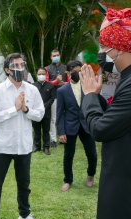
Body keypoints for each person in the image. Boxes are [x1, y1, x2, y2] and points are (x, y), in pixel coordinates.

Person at [80, 7, 131, 219]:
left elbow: (100, 129)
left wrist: (88, 95)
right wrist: (96, 97)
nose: (102, 51)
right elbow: (119, 119)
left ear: (121, 48)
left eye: (105, 45)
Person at [0, 53, 45, 219]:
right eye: (15, 66)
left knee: (24, 184)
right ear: (7, 70)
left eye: (22, 65)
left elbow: (40, 115)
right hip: (1, 146)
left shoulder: (32, 90)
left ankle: (25, 214)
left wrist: (25, 109)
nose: (20, 68)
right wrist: (14, 109)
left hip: (23, 146)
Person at [56, 60, 97, 192]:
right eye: (74, 72)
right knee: (68, 155)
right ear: (68, 73)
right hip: (70, 126)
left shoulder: (87, 87)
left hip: (87, 125)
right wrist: (61, 132)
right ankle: (68, 180)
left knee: (92, 154)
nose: (77, 74)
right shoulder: (62, 90)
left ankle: (90, 175)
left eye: (79, 71)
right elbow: (60, 112)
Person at [45, 50, 70, 148]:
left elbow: (70, 81)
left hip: (65, 95)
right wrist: (56, 81)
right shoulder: (47, 69)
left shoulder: (65, 68)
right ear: (51, 57)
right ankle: (53, 139)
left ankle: (65, 137)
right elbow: (46, 83)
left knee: (66, 116)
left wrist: (63, 83)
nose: (56, 56)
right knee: (53, 118)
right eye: (54, 55)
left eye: (57, 55)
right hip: (54, 96)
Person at [32, 67, 55, 155]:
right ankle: (37, 146)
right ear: (36, 75)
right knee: (36, 130)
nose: (41, 75)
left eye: (43, 74)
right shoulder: (33, 86)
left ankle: (46, 147)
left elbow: (52, 98)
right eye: (39, 74)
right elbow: (30, 98)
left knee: (46, 130)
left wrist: (44, 106)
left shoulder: (50, 86)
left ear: (46, 75)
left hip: (46, 112)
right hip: (36, 112)